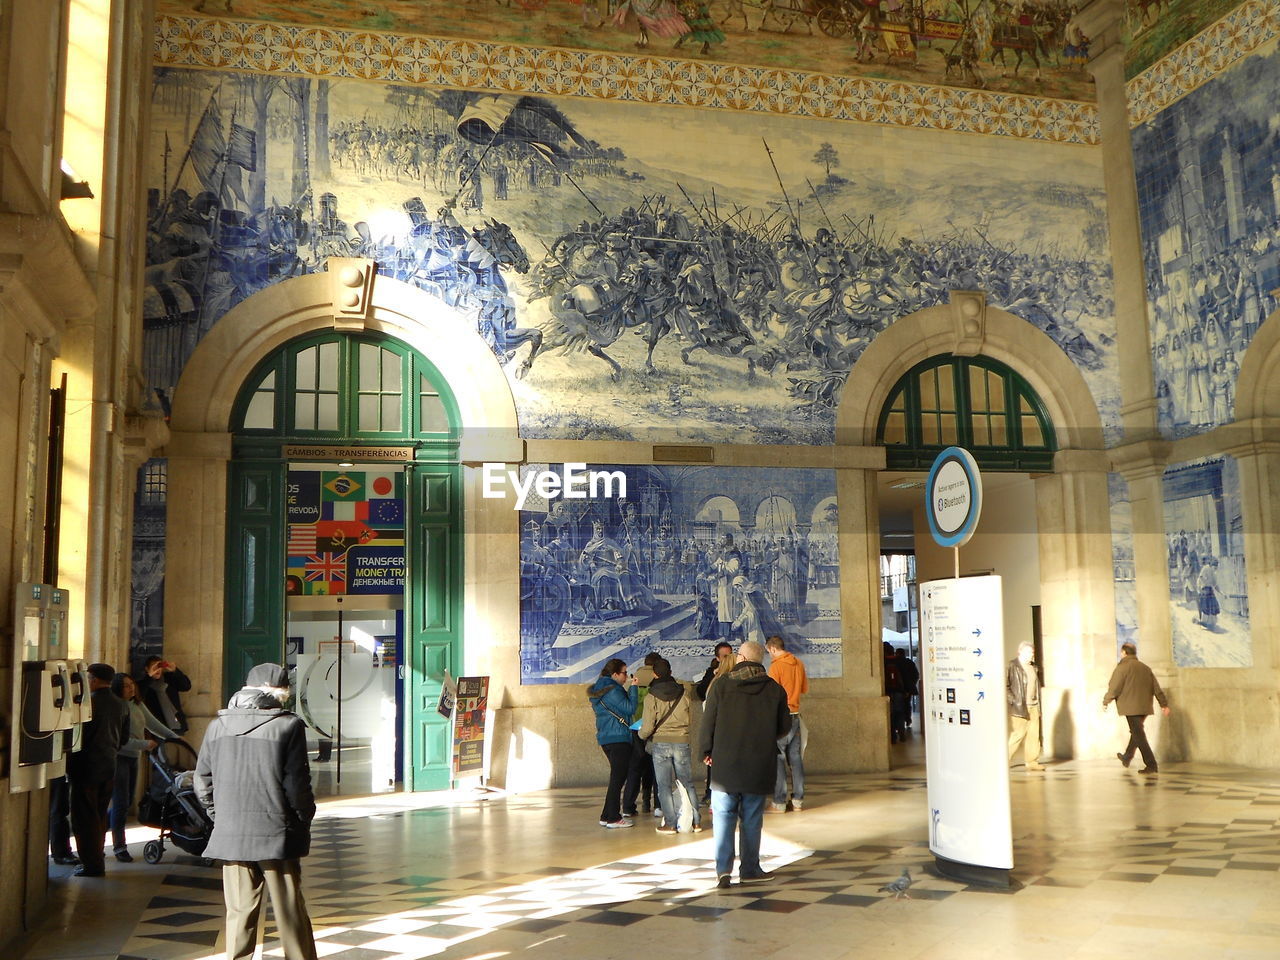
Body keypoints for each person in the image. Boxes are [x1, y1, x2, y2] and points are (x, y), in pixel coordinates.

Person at [194, 663, 318, 960]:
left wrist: (220, 817)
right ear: (278, 692)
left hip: (232, 833)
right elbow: (297, 784)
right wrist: (303, 819)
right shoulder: (288, 726)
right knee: (289, 911)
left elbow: (202, 781)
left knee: (239, 913)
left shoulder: (216, 726)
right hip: (277, 832)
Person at [699, 640, 791, 888]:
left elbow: (708, 721)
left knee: (723, 818)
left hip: (725, 766)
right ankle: (750, 869)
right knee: (751, 818)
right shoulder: (774, 689)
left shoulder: (721, 685)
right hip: (758, 764)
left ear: (741, 658)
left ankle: (723, 872)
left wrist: (706, 751)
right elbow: (784, 727)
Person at [66, 663, 129, 877]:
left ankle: (92, 864)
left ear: (92, 680)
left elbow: (75, 739)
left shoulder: (88, 704)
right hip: (109, 765)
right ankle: (97, 856)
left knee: (85, 818)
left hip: (85, 768)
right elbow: (124, 738)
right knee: (100, 815)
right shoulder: (121, 705)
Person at [108, 672, 178, 861]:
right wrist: (144, 745)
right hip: (120, 758)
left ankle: (100, 824)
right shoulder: (116, 707)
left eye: (132, 684)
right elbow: (118, 741)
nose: (131, 688)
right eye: (126, 686)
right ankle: (119, 847)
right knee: (121, 802)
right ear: (117, 688)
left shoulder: (137, 705)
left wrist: (175, 739)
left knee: (127, 800)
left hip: (133, 758)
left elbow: (154, 724)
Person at [639, 657, 702, 835]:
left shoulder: (652, 696)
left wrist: (641, 735)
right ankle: (696, 822)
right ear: (671, 672)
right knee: (687, 782)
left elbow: (648, 725)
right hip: (681, 741)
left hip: (660, 743)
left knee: (664, 785)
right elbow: (689, 719)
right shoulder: (684, 692)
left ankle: (671, 824)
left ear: (655, 674)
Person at [1103, 643, 1171, 775]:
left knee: (1139, 735)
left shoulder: (1122, 668)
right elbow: (1156, 688)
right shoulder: (1145, 668)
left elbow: (1114, 687)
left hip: (1130, 707)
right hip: (1144, 706)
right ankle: (1127, 757)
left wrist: (1106, 700)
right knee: (1137, 732)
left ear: (1123, 652)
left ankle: (1151, 764)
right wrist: (1164, 704)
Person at [587, 658, 638, 828]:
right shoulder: (613, 690)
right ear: (615, 674)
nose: (626, 676)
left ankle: (606, 815)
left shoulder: (601, 688)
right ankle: (614, 818)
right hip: (618, 737)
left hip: (607, 737)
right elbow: (630, 708)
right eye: (624, 673)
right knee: (618, 778)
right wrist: (634, 688)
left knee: (616, 777)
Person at [766, 636, 808, 812]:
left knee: (778, 758)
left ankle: (779, 801)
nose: (769, 655)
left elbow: (771, 695)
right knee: (796, 759)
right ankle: (798, 800)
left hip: (781, 716)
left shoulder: (776, 666)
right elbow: (804, 689)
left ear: (773, 649)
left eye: (769, 652)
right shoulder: (798, 663)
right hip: (795, 715)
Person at [623, 652, 660, 818]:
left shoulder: (632, 679)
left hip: (635, 728)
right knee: (655, 766)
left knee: (636, 768)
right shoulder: (658, 680)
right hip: (653, 728)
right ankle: (657, 804)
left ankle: (631, 805)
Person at [1006, 642, 1045, 772]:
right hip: (1020, 706)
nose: (1031, 655)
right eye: (1029, 652)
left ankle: (1032, 761)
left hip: (1033, 706)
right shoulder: (1013, 666)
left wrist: (1038, 706)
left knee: (1034, 735)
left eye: (1032, 653)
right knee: (1018, 734)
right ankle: (1004, 760)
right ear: (1021, 652)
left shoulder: (1033, 667)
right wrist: (1013, 699)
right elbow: (1005, 685)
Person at [140, 655, 191, 735]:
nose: (157, 670)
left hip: (176, 724)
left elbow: (186, 686)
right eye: (154, 667)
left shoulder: (169, 678)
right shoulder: (144, 684)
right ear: (147, 669)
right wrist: (149, 677)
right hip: (157, 727)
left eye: (159, 666)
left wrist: (175, 671)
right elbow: (139, 695)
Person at [895, 648, 919, 727]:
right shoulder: (909, 663)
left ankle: (899, 723)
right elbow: (916, 675)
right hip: (907, 688)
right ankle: (907, 719)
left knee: (897, 707)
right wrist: (911, 685)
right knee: (907, 704)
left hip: (897, 688)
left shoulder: (895, 663)